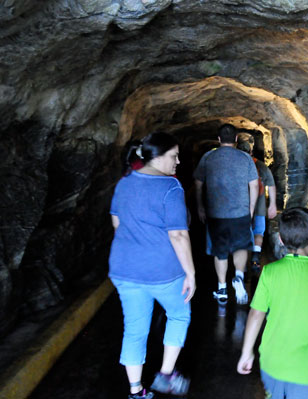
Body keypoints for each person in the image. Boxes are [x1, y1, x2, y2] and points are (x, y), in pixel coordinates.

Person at [109, 132, 196, 399]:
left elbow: (116, 222)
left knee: (135, 328)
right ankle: (166, 375)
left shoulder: (124, 182)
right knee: (179, 314)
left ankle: (136, 391)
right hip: (161, 272)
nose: (178, 162)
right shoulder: (170, 187)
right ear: (157, 156)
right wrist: (191, 273)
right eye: (173, 156)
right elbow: (178, 234)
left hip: (124, 269)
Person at [236, 207, 308, 399]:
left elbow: (256, 314)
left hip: (272, 362)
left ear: (280, 239)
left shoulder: (270, 272)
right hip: (307, 367)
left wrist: (247, 352)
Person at [193, 124, 258, 304]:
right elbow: (253, 185)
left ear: (219, 139)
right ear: (236, 139)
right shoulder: (245, 158)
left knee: (220, 251)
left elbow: (198, 184)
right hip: (241, 212)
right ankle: (238, 276)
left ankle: (222, 289)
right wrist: (251, 209)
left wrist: (200, 207)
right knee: (241, 246)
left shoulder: (208, 157)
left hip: (216, 214)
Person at [236, 133, 277, 272]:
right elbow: (271, 184)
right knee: (258, 231)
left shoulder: (235, 165)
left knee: (243, 233)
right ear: (251, 151)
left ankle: (244, 265)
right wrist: (272, 204)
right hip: (259, 204)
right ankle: (255, 257)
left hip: (241, 206)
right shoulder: (260, 165)